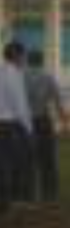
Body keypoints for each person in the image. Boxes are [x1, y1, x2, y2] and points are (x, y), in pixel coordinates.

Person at [25, 49, 68, 202]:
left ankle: (28, 192)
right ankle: (49, 193)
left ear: (28, 60)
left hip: (26, 122)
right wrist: (64, 122)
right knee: (48, 159)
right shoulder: (48, 77)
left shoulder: (22, 77)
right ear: (42, 61)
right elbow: (57, 101)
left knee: (27, 159)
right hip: (43, 121)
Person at [0, 41, 34, 212]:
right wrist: (29, 128)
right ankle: (17, 199)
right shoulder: (14, 74)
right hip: (12, 124)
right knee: (18, 163)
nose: (25, 58)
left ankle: (6, 201)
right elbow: (20, 104)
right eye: (23, 54)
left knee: (4, 164)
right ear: (16, 55)